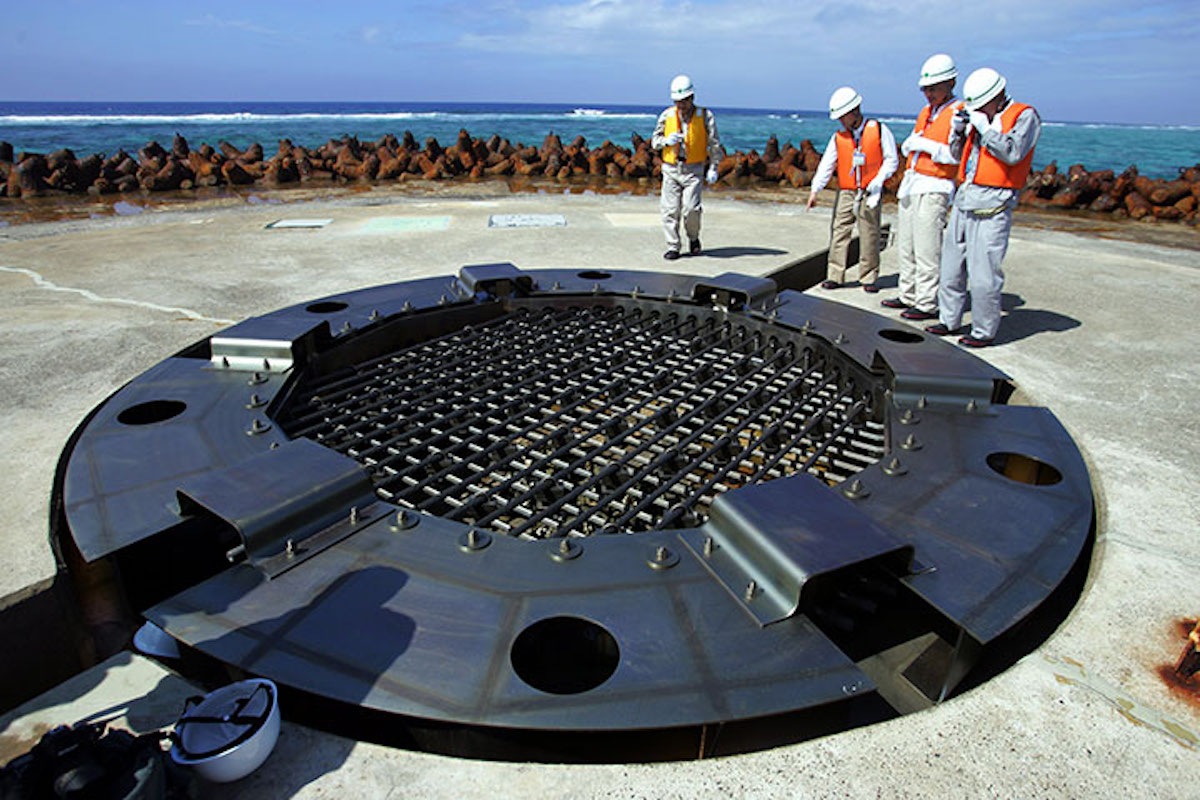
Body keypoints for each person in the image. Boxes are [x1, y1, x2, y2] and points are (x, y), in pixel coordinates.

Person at [925, 67, 1041, 347]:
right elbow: (955, 155)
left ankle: (983, 330)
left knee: (983, 273)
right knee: (951, 266)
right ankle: (949, 319)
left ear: (998, 96)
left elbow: (1013, 152)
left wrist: (985, 129)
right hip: (965, 199)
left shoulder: (1024, 116)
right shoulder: (976, 118)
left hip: (994, 204)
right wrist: (958, 132)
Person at [881, 54, 962, 321]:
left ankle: (926, 302)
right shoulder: (927, 113)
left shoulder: (958, 113)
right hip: (913, 184)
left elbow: (956, 155)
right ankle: (908, 294)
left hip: (935, 185)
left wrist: (925, 146)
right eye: (925, 89)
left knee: (928, 248)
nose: (928, 93)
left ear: (950, 83)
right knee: (907, 245)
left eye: (933, 88)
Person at [807, 87, 898, 292]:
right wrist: (815, 190)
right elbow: (827, 165)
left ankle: (868, 277)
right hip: (846, 191)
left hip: (869, 191)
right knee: (839, 231)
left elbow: (891, 160)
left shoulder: (880, 130)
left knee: (869, 233)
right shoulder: (838, 138)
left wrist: (878, 181)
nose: (840, 121)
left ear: (854, 111)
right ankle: (835, 275)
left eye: (842, 116)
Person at [651, 74, 721, 260]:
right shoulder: (667, 116)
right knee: (669, 210)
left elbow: (714, 143)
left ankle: (694, 238)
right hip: (671, 169)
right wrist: (667, 140)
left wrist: (714, 166)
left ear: (691, 98)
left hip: (694, 170)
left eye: (684, 101)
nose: (681, 105)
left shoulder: (706, 116)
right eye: (677, 101)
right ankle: (673, 246)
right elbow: (655, 142)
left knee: (691, 209)